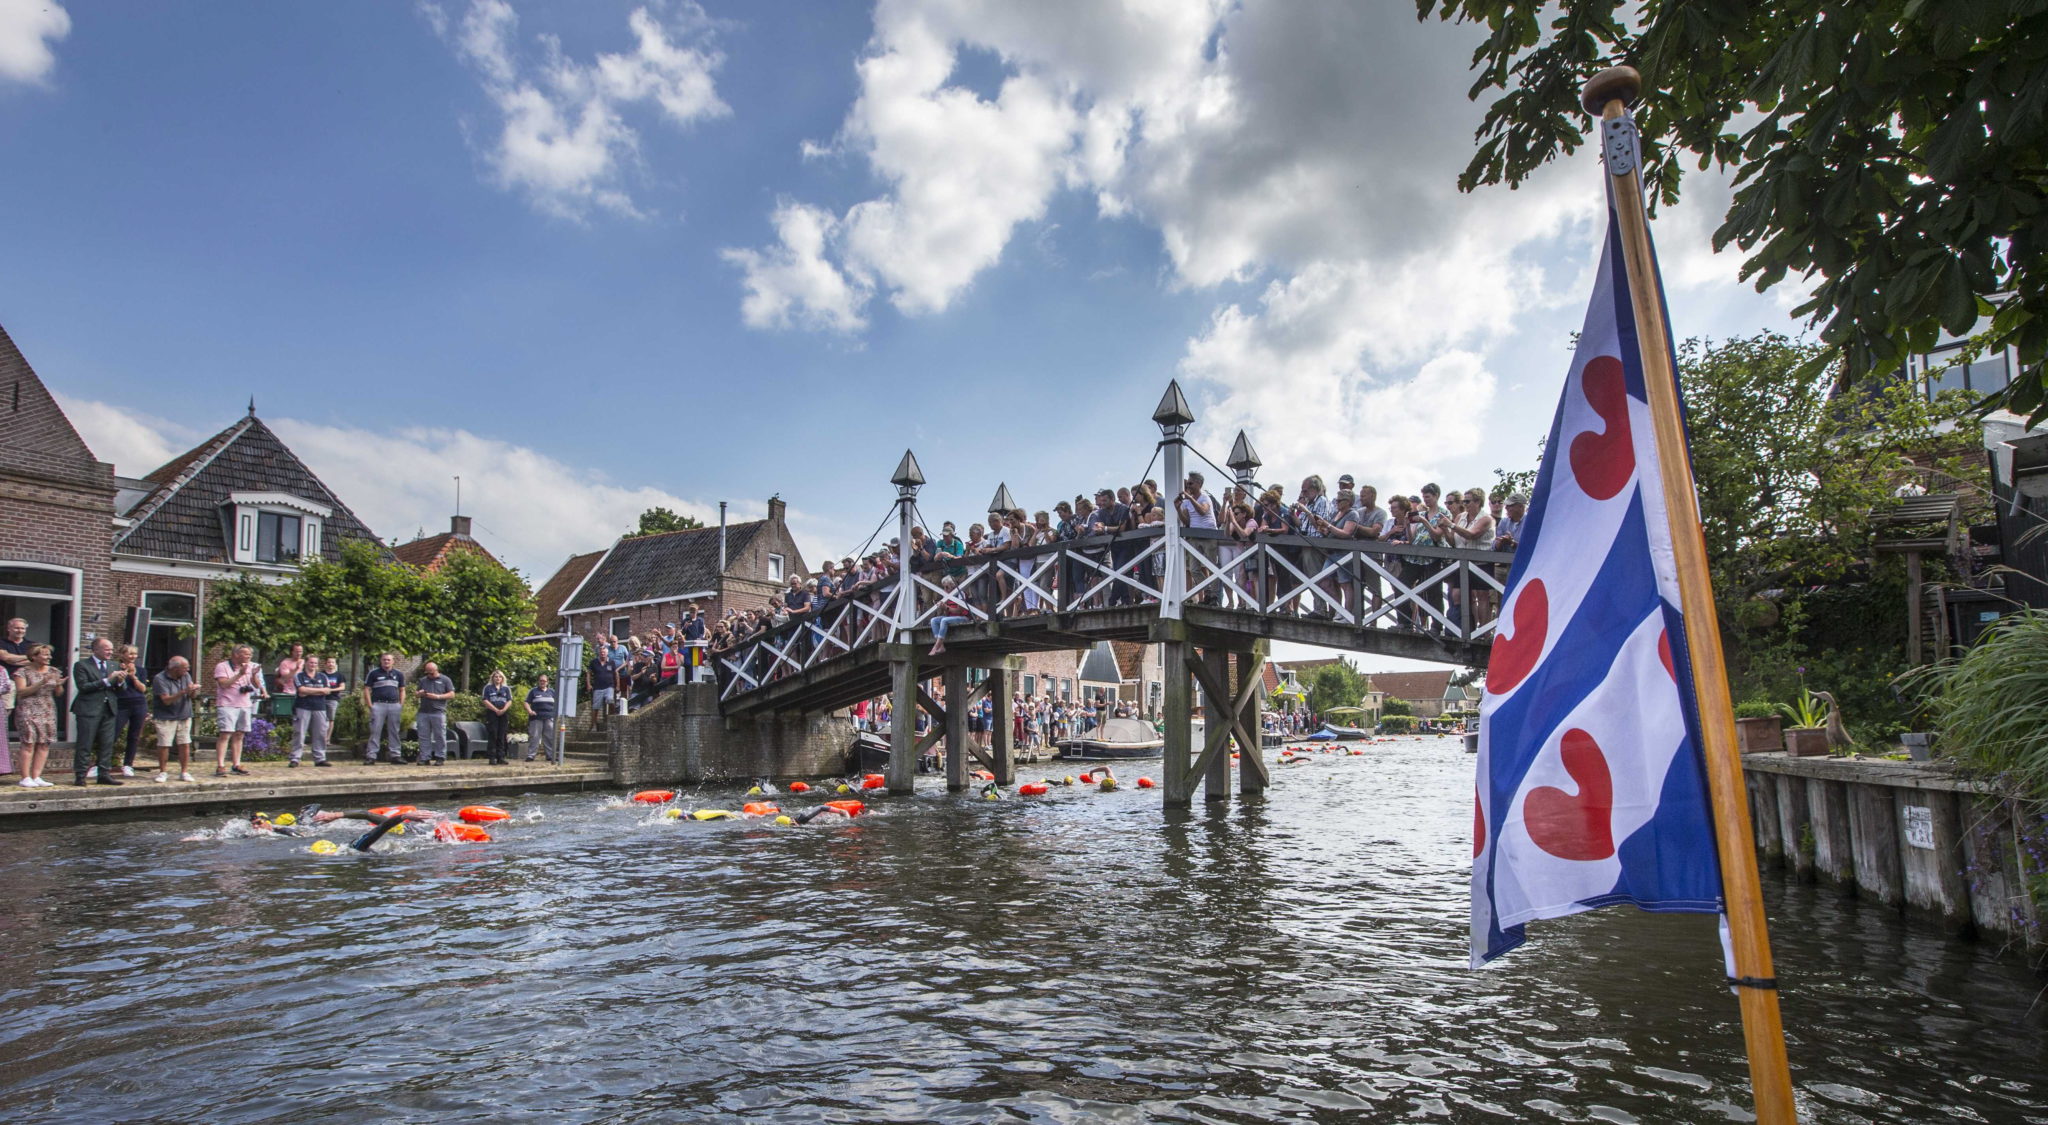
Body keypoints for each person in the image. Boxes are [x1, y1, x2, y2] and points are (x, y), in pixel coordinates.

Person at [71, 636, 126, 786]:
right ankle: (80, 775)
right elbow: (83, 686)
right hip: (89, 709)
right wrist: (107, 680)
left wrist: (120, 682)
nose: (110, 652)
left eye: (111, 649)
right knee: (85, 743)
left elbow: (121, 689)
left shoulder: (114, 665)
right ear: (95, 649)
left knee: (107, 743)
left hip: (108, 709)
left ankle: (104, 774)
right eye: (107, 649)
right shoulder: (81, 665)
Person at [13, 644, 62, 787]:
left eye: (49, 654)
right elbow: (21, 692)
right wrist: (41, 682)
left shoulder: (54, 671)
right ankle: (25, 777)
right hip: (28, 709)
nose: (49, 657)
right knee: (28, 742)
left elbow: (58, 693)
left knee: (44, 743)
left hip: (47, 709)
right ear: (34, 656)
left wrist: (58, 684)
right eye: (45, 654)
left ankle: (37, 776)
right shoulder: (22, 672)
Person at [150, 655, 200, 781]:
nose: (187, 671)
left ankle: (184, 771)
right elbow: (166, 700)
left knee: (185, 743)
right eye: (185, 668)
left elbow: (192, 696)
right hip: (166, 716)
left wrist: (193, 690)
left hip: (184, 714)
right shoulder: (159, 679)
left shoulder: (185, 676)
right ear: (175, 669)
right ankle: (163, 772)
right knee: (164, 744)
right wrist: (183, 691)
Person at [112, 644, 150, 776]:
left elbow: (143, 689)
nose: (133, 656)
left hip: (138, 704)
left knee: (134, 735)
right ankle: (101, 764)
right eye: (130, 653)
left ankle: (128, 764)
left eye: (135, 654)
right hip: (121, 704)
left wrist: (133, 676)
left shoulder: (140, 670)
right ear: (122, 655)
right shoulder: (115, 668)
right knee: (113, 733)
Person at [290, 658, 335, 767]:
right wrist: (319, 691)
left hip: (319, 707)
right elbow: (301, 691)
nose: (313, 664)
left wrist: (309, 691)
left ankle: (320, 758)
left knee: (320, 734)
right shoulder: (299, 676)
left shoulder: (323, 676)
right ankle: (295, 758)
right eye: (311, 662)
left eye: (315, 663)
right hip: (303, 707)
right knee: (300, 733)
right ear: (306, 663)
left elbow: (327, 691)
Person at [361, 652, 405, 764]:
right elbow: (366, 689)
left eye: (388, 660)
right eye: (384, 660)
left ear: (393, 661)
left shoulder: (398, 674)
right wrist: (370, 705)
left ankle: (395, 755)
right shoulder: (373, 673)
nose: (386, 662)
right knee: (375, 730)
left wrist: (401, 704)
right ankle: (371, 756)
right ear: (381, 661)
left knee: (394, 731)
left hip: (394, 705)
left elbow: (402, 690)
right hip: (379, 705)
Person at [414, 661, 455, 766]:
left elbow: (452, 694)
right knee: (423, 736)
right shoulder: (423, 680)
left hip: (438, 712)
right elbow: (416, 694)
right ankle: (425, 757)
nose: (429, 675)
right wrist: (419, 694)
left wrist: (437, 697)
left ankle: (440, 757)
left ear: (436, 670)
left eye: (431, 673)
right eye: (427, 673)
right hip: (423, 712)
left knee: (440, 735)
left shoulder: (445, 680)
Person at [926, 577, 971, 656]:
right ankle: (941, 646)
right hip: (951, 618)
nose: (945, 589)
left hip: (964, 617)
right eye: (944, 587)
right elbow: (947, 614)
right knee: (933, 620)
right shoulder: (947, 596)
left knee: (944, 621)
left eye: (947, 587)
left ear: (953, 585)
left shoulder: (961, 594)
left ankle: (936, 646)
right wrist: (943, 608)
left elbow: (959, 611)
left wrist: (946, 607)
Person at [480, 670, 513, 765]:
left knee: (502, 734)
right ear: (492, 678)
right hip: (492, 713)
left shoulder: (506, 689)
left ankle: (501, 756)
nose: (498, 678)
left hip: (503, 713)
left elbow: (509, 700)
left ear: (502, 678)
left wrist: (503, 710)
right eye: (496, 677)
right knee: (493, 734)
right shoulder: (488, 688)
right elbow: (485, 700)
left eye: (499, 677)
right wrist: (495, 710)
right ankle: (492, 757)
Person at [525, 674, 559, 764]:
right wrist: (530, 711)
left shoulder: (552, 692)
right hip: (536, 717)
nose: (542, 682)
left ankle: (550, 756)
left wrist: (555, 714)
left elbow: (557, 704)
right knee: (534, 737)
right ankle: (531, 755)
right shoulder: (533, 691)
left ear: (547, 682)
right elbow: (526, 702)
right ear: (538, 681)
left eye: (544, 681)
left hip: (549, 717)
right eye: (541, 680)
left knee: (550, 737)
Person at [585, 644, 615, 730]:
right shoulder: (594, 662)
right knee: (596, 707)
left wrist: (617, 686)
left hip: (609, 686)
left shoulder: (611, 662)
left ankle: (612, 720)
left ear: (607, 653)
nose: (603, 654)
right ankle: (594, 725)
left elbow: (615, 674)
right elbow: (588, 673)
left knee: (610, 700)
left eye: (604, 652)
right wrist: (588, 684)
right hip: (597, 687)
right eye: (601, 652)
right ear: (599, 653)